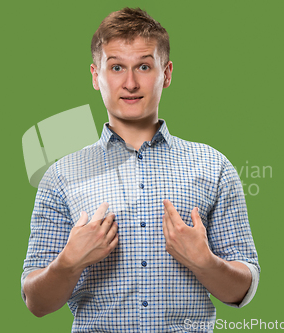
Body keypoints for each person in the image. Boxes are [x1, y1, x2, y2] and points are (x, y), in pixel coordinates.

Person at [21, 7, 260, 332]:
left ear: (167, 73)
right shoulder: (61, 175)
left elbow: (243, 289)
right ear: (96, 76)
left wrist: (204, 262)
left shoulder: (213, 166)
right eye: (116, 67)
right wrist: (69, 262)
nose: (130, 83)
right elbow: (36, 302)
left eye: (144, 66)